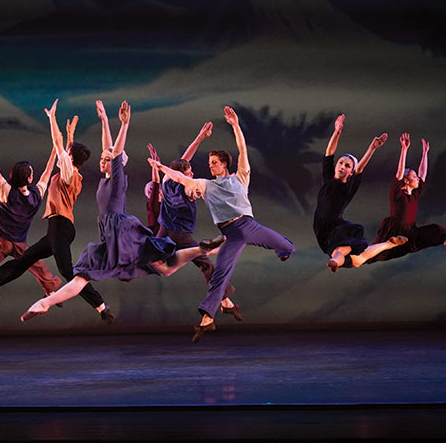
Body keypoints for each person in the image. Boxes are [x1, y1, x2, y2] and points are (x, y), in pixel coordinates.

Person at [20, 100, 224, 322]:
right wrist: (105, 121)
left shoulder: (117, 180)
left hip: (122, 234)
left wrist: (124, 124)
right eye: (101, 159)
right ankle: (43, 304)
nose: (102, 162)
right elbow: (109, 148)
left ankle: (199, 249)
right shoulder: (106, 179)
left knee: (162, 267)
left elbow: (115, 152)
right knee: (86, 277)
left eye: (107, 161)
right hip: (109, 238)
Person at [149, 106, 294, 343]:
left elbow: (242, 149)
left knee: (287, 247)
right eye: (209, 162)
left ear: (225, 164)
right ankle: (207, 319)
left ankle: (282, 250)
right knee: (219, 276)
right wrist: (162, 168)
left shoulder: (240, 177)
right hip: (231, 233)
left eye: (214, 162)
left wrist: (236, 125)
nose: (210, 165)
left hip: (249, 226)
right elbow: (181, 177)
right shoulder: (206, 185)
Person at [0, 101, 115, 323]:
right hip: (57, 228)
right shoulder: (73, 174)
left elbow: (58, 145)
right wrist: (71, 134)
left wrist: (52, 118)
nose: (64, 153)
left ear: (71, 157)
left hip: (60, 227)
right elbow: (67, 154)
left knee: (68, 272)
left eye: (68, 152)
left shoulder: (68, 174)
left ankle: (101, 306)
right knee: (28, 257)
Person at [152, 123, 242, 320]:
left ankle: (226, 303)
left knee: (153, 258)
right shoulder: (188, 188)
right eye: (190, 172)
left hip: (164, 229)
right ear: (183, 174)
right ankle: (225, 301)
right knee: (206, 264)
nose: (192, 174)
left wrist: (200, 137)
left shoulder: (168, 180)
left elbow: (185, 158)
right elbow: (194, 183)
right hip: (180, 234)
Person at [0, 135, 62, 320]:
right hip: (20, 243)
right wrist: (55, 148)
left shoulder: (6, 191)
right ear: (29, 178)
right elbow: (48, 171)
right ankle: (52, 293)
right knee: (38, 266)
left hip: (1, 243)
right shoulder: (37, 195)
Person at [314, 114, 408, 272]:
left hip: (334, 227)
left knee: (346, 254)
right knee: (358, 260)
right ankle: (388, 244)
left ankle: (335, 261)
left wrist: (372, 148)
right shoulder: (329, 178)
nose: (342, 166)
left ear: (351, 172)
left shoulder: (347, 189)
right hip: (322, 227)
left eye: (347, 166)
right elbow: (329, 152)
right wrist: (337, 131)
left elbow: (360, 169)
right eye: (341, 163)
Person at [366, 133, 446, 263]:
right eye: (414, 177)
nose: (417, 179)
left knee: (437, 231)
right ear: (406, 181)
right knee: (377, 255)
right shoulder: (397, 194)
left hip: (411, 231)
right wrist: (404, 149)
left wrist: (425, 153)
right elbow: (399, 173)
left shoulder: (414, 194)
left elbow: (423, 174)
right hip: (395, 231)